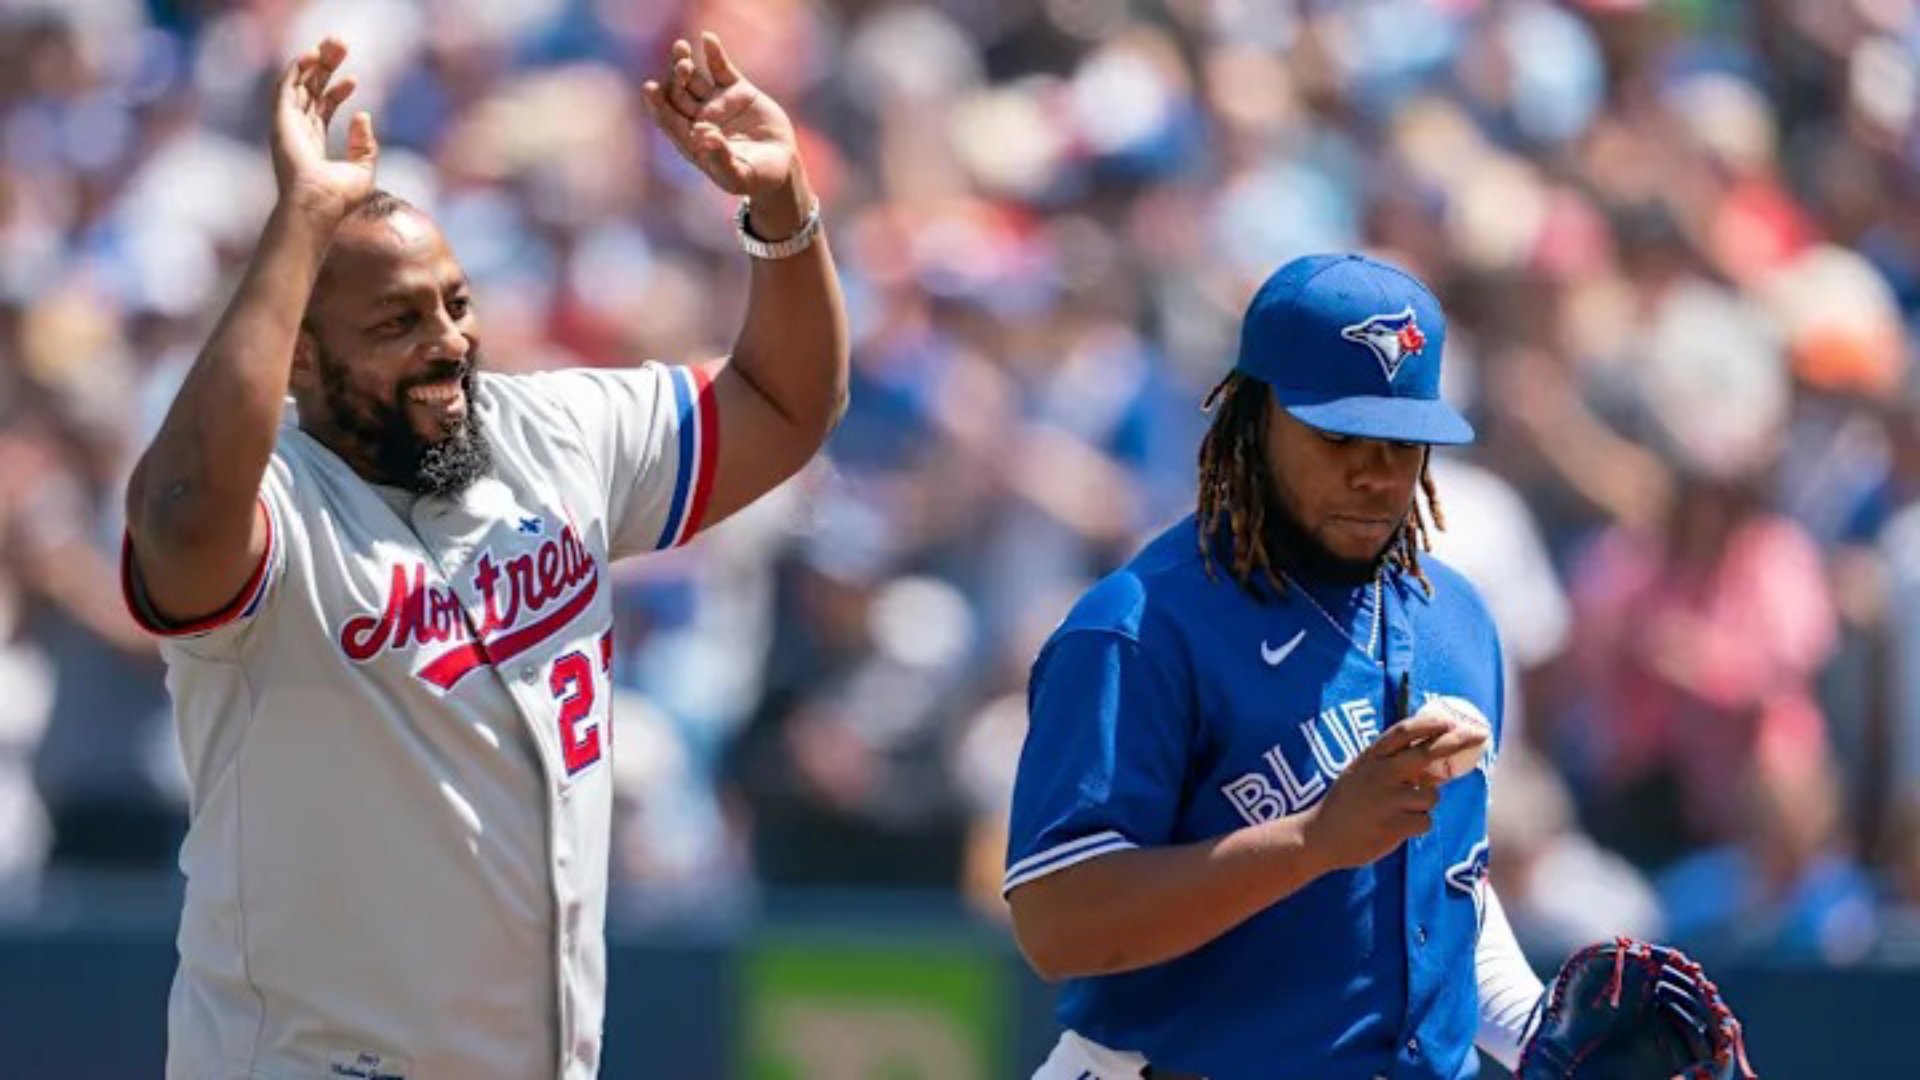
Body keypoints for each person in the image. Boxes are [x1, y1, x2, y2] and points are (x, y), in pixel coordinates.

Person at [121, 33, 846, 1080]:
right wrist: (302, 222)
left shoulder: (552, 430)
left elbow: (784, 404)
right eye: (398, 320)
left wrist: (780, 212)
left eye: (456, 303)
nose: (449, 338)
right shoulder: (270, 502)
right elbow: (181, 520)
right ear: (302, 357)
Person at [1002, 254, 1543, 1079]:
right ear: (1254, 418)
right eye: (1338, 435)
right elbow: (1058, 924)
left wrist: (1540, 1032)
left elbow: (1442, 891)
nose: (1376, 472)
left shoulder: (1455, 620)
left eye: (1404, 443)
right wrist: (1312, 841)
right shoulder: (1140, 628)